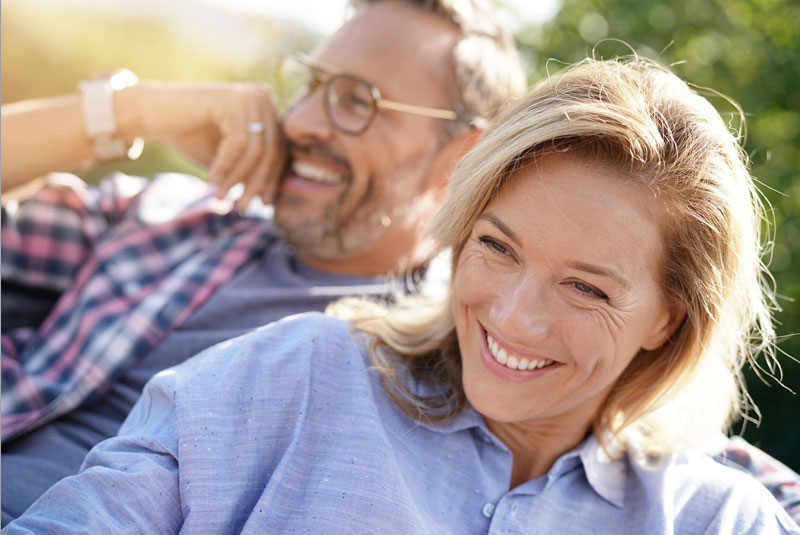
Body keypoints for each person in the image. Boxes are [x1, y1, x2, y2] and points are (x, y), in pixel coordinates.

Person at [6, 57, 800, 534]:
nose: (514, 316)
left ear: (669, 318)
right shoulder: (298, 372)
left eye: (586, 287)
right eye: (496, 246)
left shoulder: (717, 515)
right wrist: (122, 106)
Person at [0, 0, 525, 524]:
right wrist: (133, 111)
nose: (298, 122)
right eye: (310, 84)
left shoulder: (445, 358)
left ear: (463, 158)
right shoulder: (178, 217)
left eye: (355, 101)